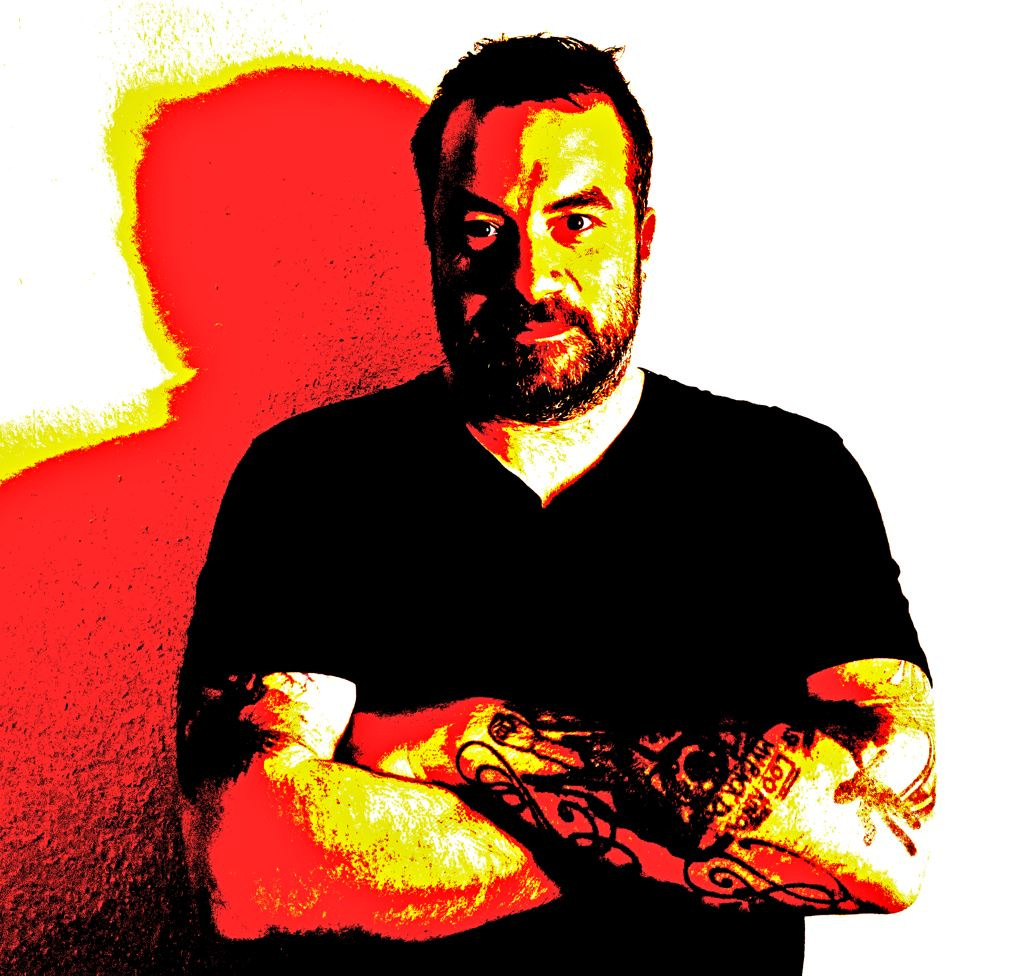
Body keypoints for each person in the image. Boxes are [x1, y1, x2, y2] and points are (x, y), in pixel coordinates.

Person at [177, 34, 935, 975]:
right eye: (481, 228)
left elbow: (881, 840)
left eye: (576, 221)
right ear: (431, 238)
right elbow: (248, 863)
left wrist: (462, 741)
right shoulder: (311, 480)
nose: (531, 278)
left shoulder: (787, 478)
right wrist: (712, 834)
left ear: (642, 239)